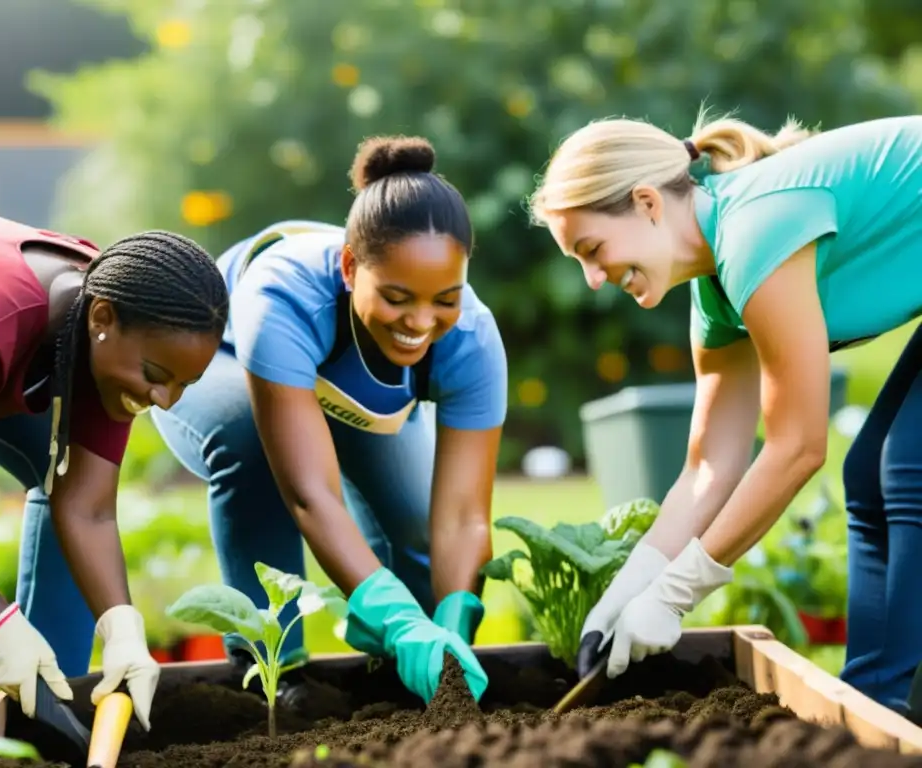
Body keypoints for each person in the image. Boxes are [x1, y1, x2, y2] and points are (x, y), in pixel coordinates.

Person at [527, 112, 922, 714]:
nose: (592, 279)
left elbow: (797, 448)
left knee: (908, 469)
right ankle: (876, 708)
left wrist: (678, 593)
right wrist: (630, 587)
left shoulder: (756, 231)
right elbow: (711, 463)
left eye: (592, 250)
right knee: (868, 476)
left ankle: (891, 713)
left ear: (647, 203)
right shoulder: (716, 292)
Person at [151, 134, 508, 704]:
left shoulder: (470, 337)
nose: (421, 319)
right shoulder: (284, 296)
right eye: (397, 297)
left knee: (417, 528)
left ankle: (413, 673)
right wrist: (391, 614)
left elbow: (464, 518)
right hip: (226, 366)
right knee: (250, 440)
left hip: (352, 395)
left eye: (445, 298)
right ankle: (274, 669)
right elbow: (311, 495)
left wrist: (450, 622)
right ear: (349, 267)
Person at [0, 199, 230, 728]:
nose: (163, 400)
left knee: (64, 486)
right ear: (102, 319)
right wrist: (0, 627)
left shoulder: (117, 314)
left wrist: (123, 627)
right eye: (155, 373)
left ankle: (49, 709)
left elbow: (87, 509)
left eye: (182, 384)